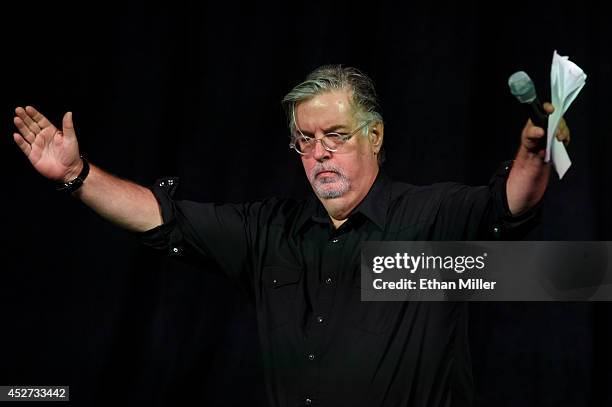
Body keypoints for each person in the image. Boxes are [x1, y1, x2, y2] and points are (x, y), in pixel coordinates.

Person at [12, 65, 569, 407]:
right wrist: (77, 176)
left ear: (375, 137)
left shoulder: (433, 217)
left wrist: (532, 152)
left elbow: (509, 205)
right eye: (305, 138)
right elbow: (162, 216)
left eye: (335, 135)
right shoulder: (267, 230)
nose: (319, 150)